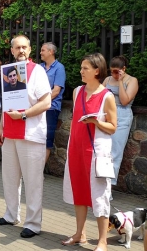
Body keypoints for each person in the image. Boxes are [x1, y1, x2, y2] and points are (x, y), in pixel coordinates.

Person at [0, 35, 51, 239]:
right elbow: (6, 102)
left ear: (30, 49)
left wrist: (24, 115)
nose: (21, 51)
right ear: (11, 50)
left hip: (31, 133)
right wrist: (1, 127)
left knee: (33, 180)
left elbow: (46, 102)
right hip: (10, 133)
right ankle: (11, 215)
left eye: (25, 47)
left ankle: (33, 223)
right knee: (9, 178)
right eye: (17, 47)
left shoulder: (38, 71)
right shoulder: (9, 71)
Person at [62, 53, 117, 251]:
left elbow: (113, 127)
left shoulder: (107, 96)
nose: (81, 71)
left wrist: (96, 122)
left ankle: (102, 241)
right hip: (76, 147)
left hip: (96, 151)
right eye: (81, 67)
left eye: (85, 68)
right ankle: (80, 234)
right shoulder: (77, 91)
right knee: (79, 191)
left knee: (100, 194)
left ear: (97, 71)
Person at [102, 55, 138, 186]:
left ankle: (109, 186)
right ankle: (100, 184)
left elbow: (124, 101)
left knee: (115, 152)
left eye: (116, 71)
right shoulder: (107, 79)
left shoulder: (132, 80)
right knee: (102, 150)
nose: (113, 74)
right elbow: (100, 96)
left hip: (122, 116)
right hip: (107, 114)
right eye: (111, 71)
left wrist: (121, 81)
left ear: (123, 69)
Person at [40, 42, 66, 163]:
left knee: (46, 140)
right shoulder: (39, 68)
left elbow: (56, 91)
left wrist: (40, 103)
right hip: (38, 108)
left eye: (43, 50)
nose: (40, 52)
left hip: (50, 108)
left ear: (51, 52)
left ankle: (39, 171)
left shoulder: (59, 68)